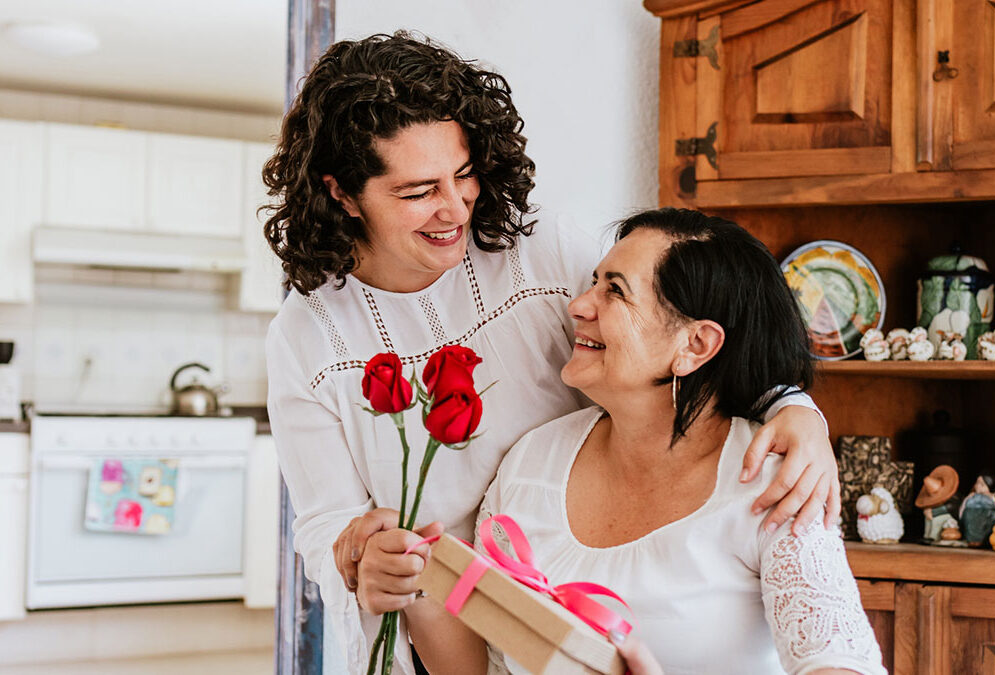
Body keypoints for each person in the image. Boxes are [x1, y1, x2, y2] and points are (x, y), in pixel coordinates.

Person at [262, 33, 840, 673]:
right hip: (442, 623)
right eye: (418, 191)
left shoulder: (539, 252)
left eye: (463, 174)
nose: (455, 208)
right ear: (342, 193)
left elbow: (674, 323)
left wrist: (793, 406)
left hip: (589, 550)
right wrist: (365, 560)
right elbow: (326, 525)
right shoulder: (309, 338)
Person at [394, 209, 885, 675]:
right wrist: (413, 582)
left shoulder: (774, 480)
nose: (579, 305)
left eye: (616, 291)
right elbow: (486, 665)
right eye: (594, 282)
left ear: (694, 345)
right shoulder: (531, 462)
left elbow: (838, 661)